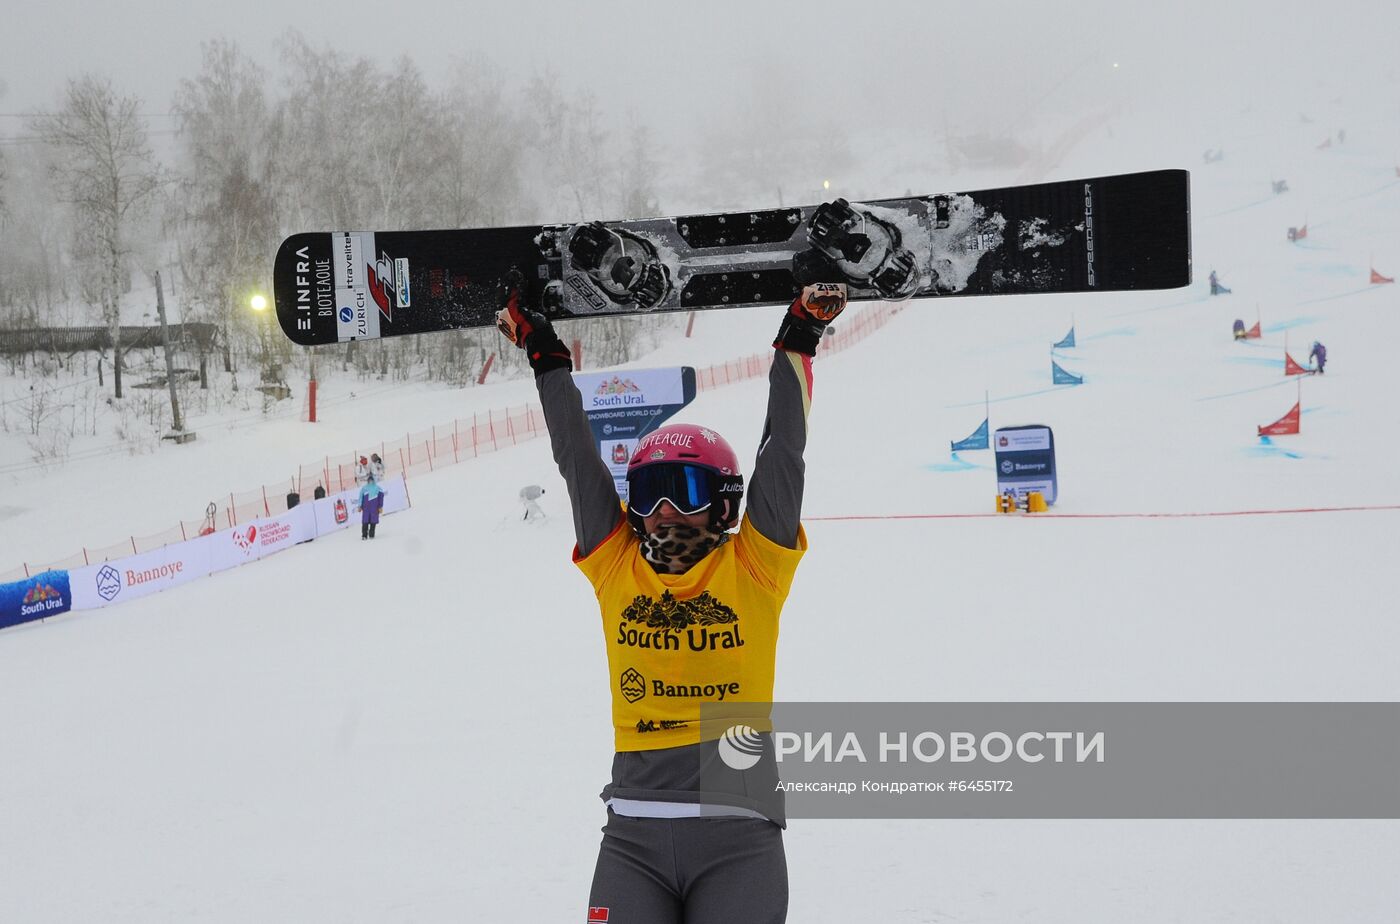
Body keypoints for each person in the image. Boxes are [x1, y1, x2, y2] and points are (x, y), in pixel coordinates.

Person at [496, 265, 846, 924]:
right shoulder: (615, 564)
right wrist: (545, 352)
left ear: (722, 505)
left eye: (683, 492)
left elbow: (783, 452)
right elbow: (577, 455)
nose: (661, 512)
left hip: (738, 835)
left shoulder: (756, 565)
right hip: (632, 836)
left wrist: (799, 337)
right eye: (647, 490)